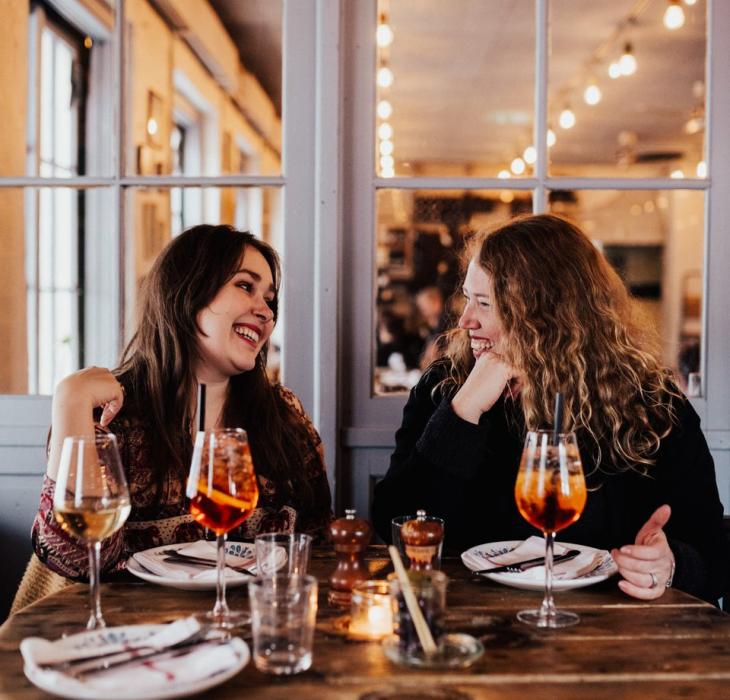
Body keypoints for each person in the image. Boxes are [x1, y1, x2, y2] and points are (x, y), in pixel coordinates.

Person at [372, 214, 728, 604]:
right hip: (465, 619)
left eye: (485, 303)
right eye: (468, 297)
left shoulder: (653, 403)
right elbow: (395, 524)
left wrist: (672, 563)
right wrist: (464, 412)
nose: (465, 320)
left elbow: (714, 552)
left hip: (610, 634)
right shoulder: (447, 386)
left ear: (545, 317)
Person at [33, 225, 333, 580]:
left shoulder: (284, 413)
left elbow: (317, 547)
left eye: (269, 299)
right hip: (138, 629)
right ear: (187, 292)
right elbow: (78, 561)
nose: (266, 312)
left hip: (252, 625)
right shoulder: (110, 417)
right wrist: (70, 398)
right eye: (245, 286)